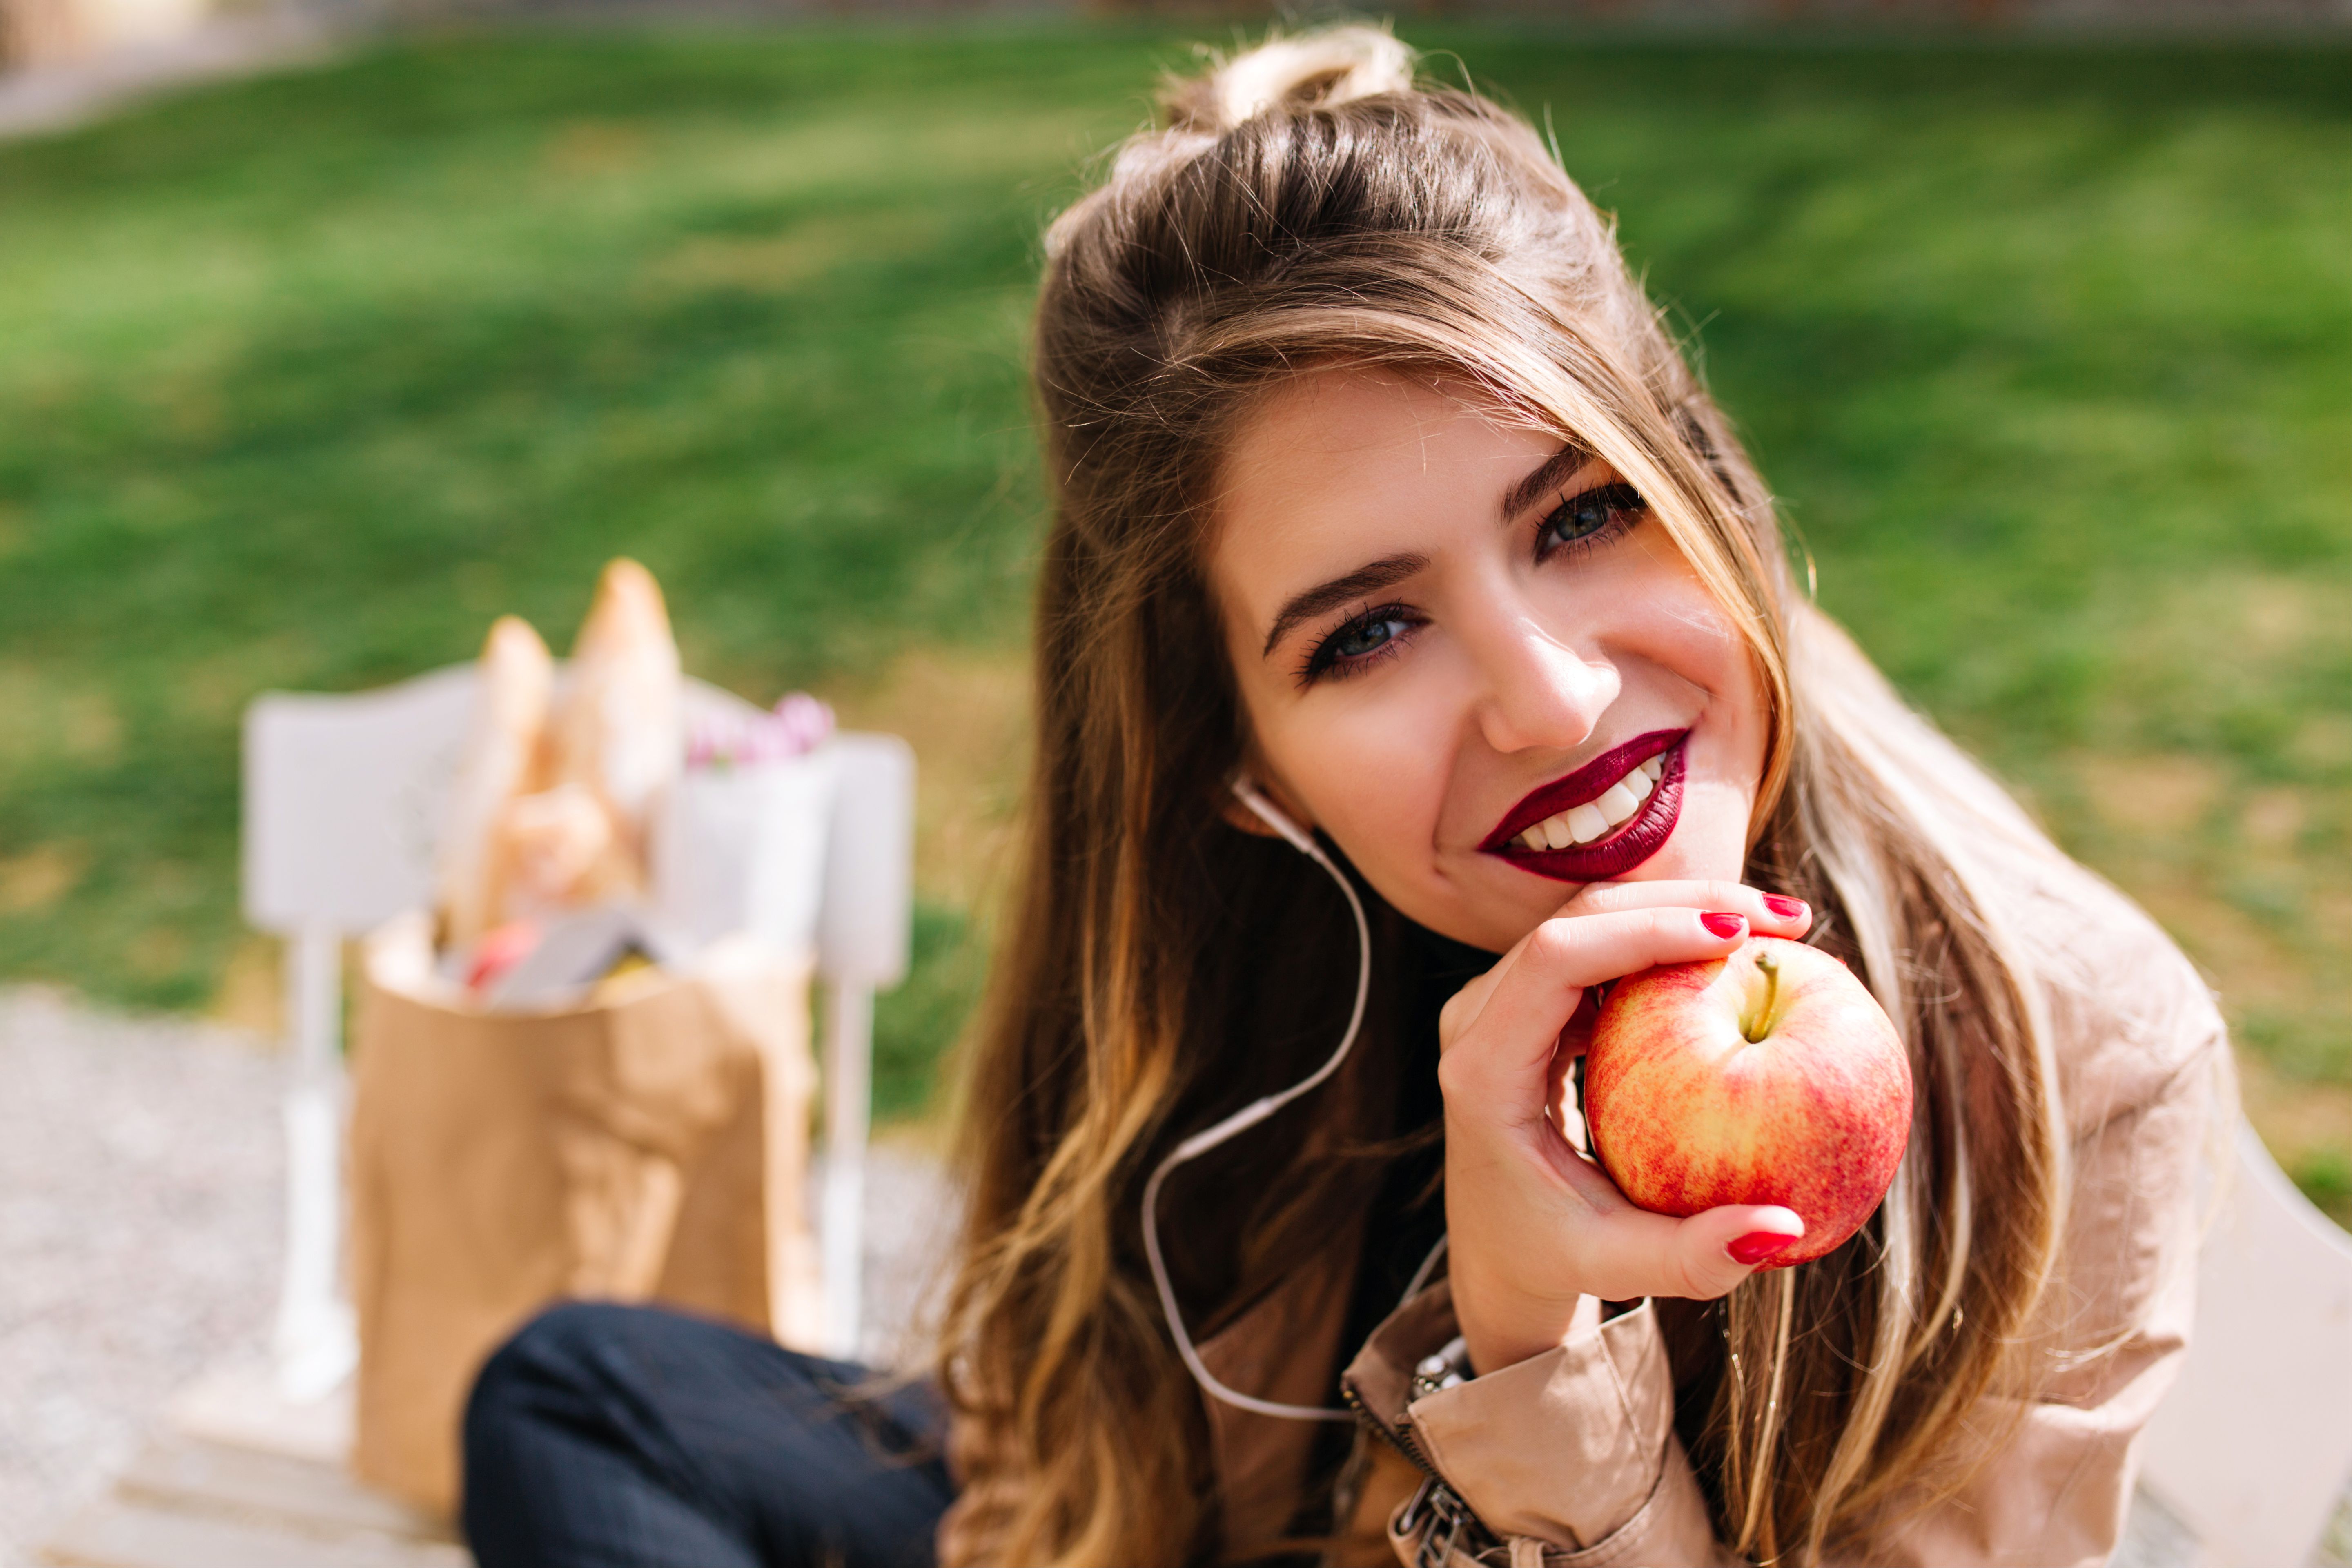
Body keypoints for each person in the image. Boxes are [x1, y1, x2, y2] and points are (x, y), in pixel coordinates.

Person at [461, 27, 2232, 1567]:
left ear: (1709, 488)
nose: (1553, 697)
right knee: (579, 1390)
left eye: (1585, 512)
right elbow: (1065, 1432)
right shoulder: (1226, 919)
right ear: (1235, 758)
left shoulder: (2060, 1063)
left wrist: (1536, 1346)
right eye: (1371, 629)